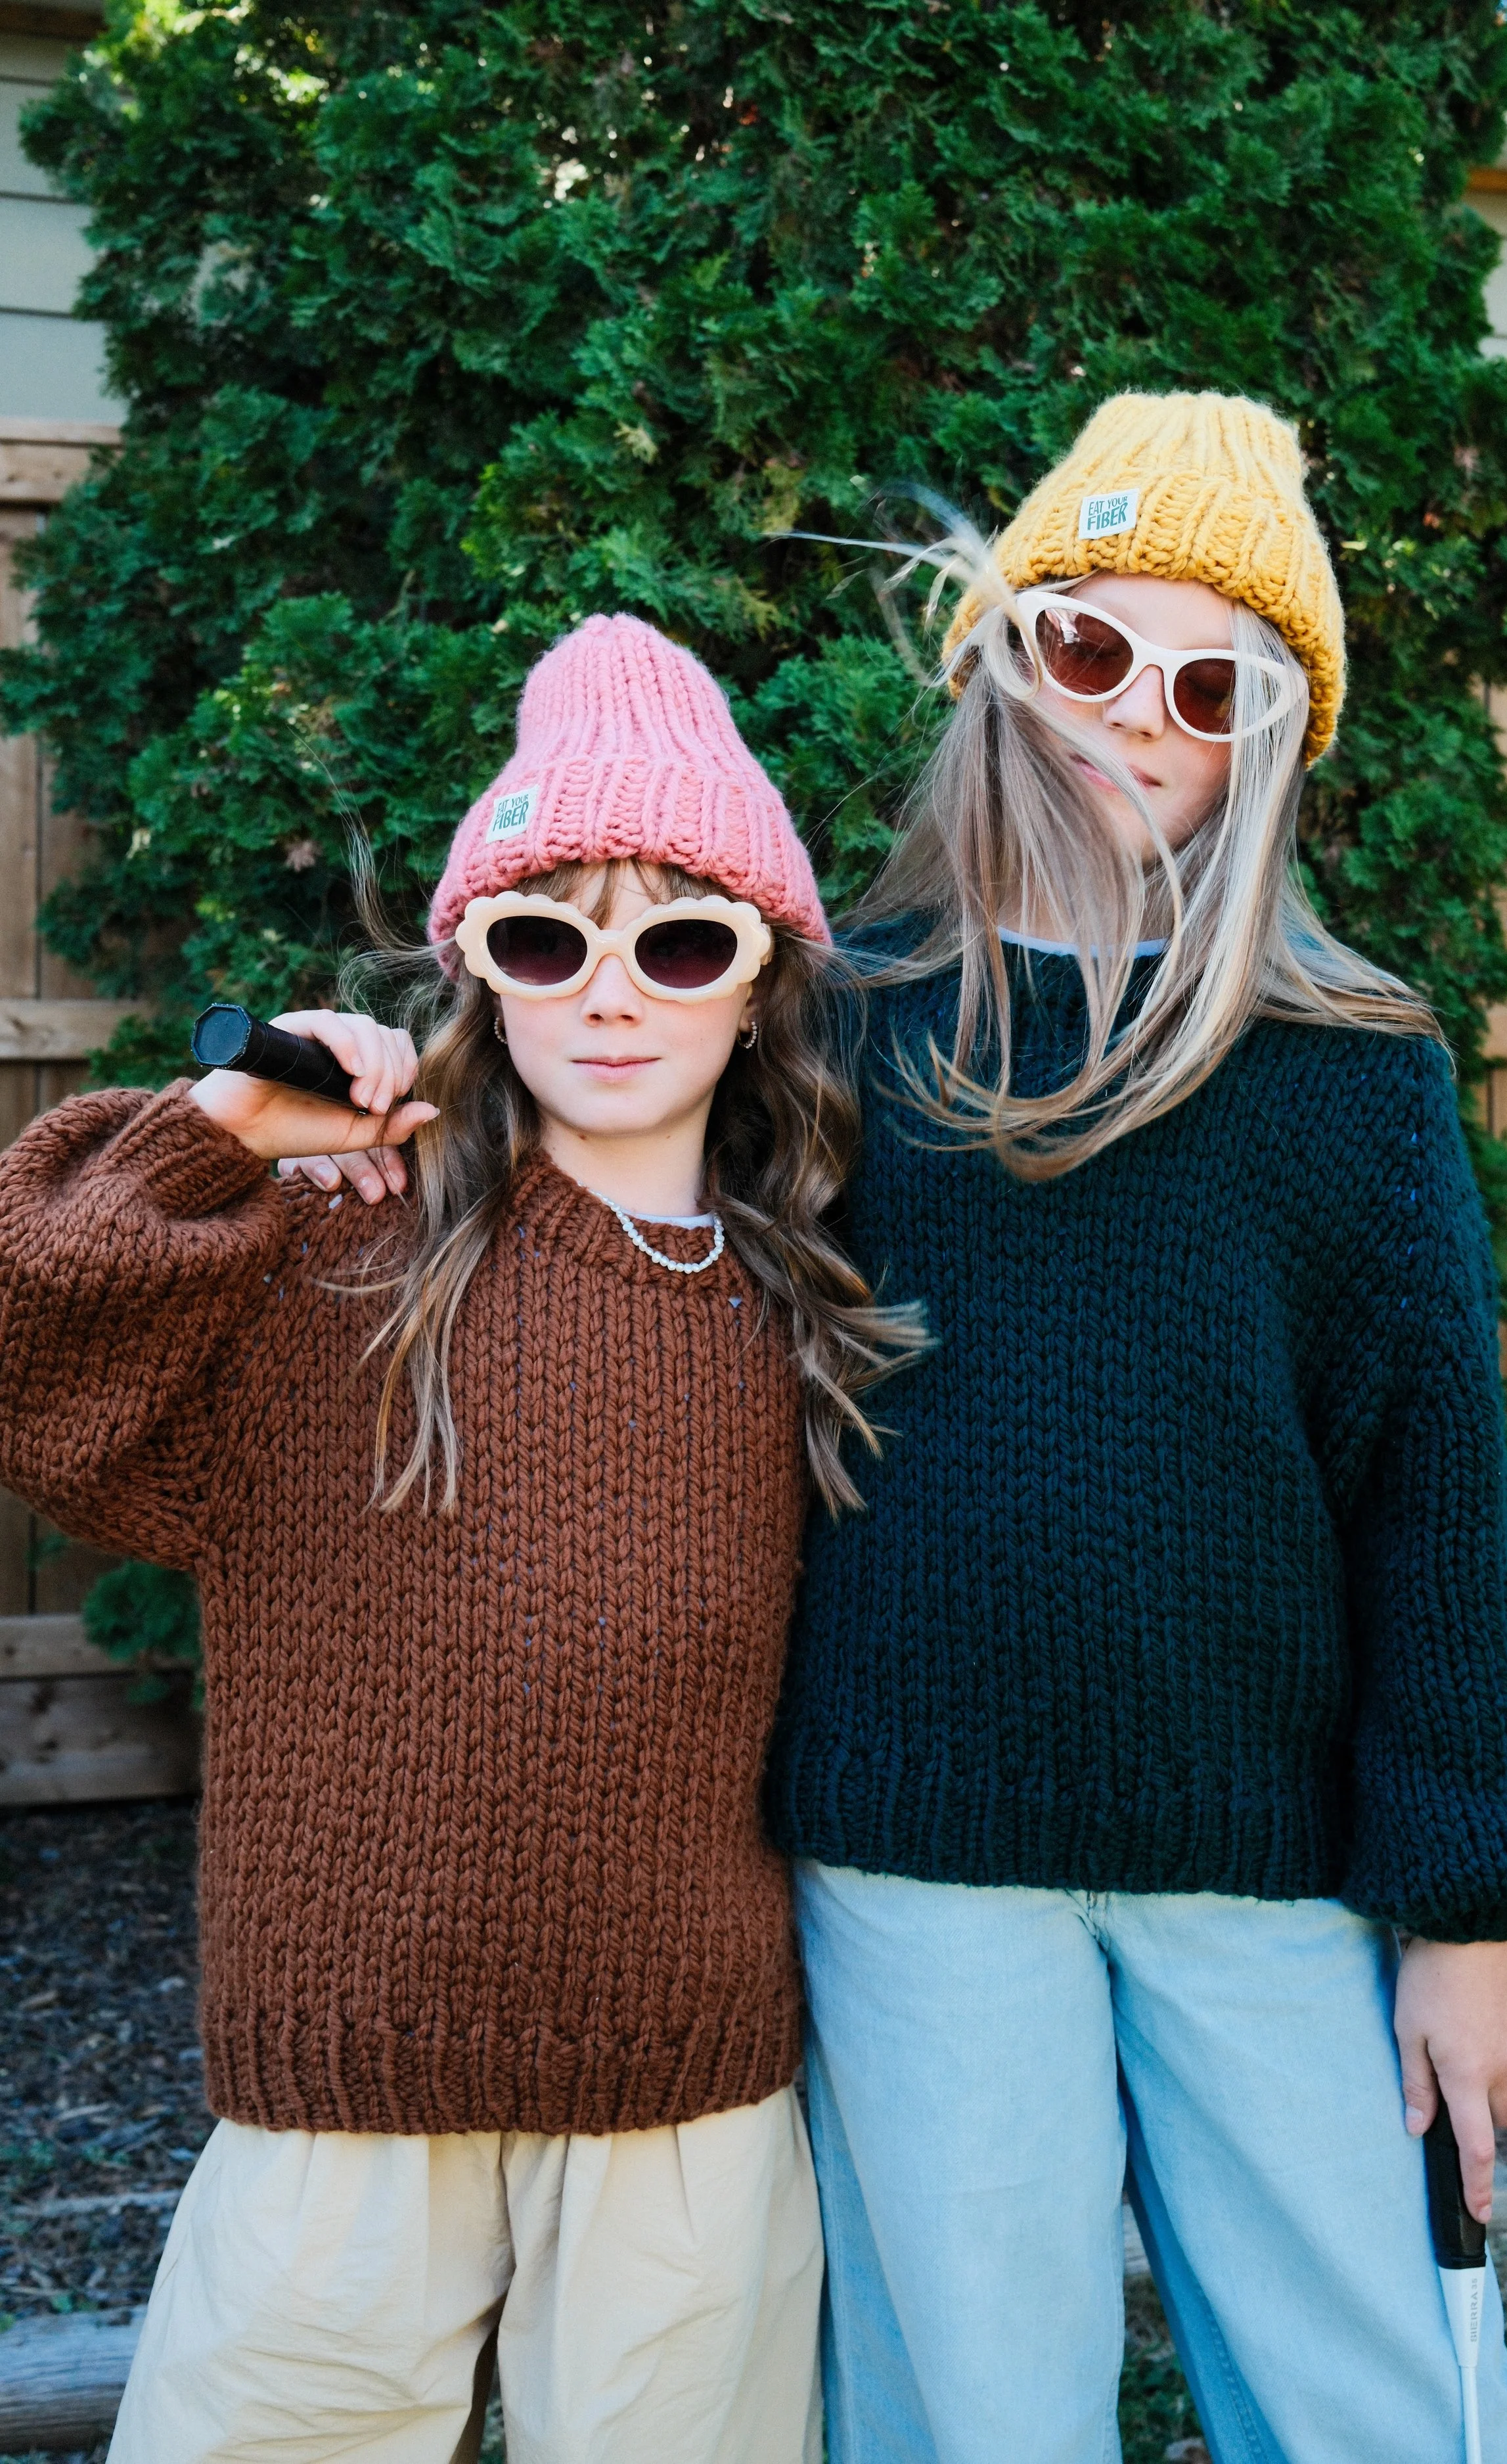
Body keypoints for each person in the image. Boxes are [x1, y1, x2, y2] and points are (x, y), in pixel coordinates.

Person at [755, 393, 1507, 2464]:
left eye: (1207, 680)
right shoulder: (833, 1018)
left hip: (1274, 1867)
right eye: (1084, 643)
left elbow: (1429, 1507)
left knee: (1388, 2397)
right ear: (999, 650)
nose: (1131, 712)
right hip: (916, 1850)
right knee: (970, 2401)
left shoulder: (1347, 1068)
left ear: (1268, 741)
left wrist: (1468, 1912)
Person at [0, 612, 921, 2464]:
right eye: (540, 933)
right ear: (476, 971)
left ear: (759, 982)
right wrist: (209, 1139)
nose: (609, 988)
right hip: (343, 2084)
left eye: (678, 936)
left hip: (688, 2087)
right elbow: (34, 1344)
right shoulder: (341, 1257)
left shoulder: (811, 1304)